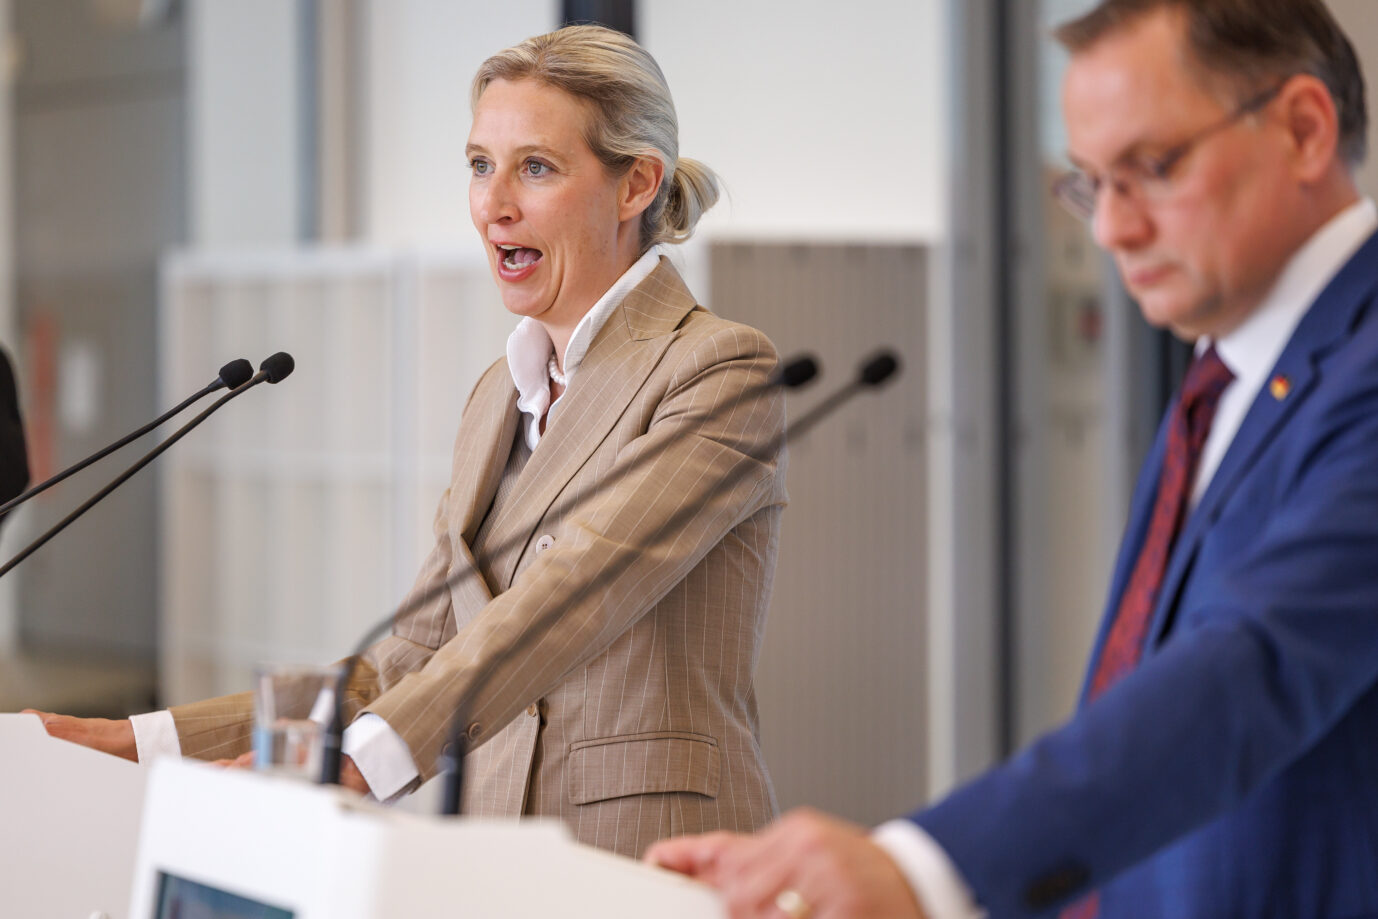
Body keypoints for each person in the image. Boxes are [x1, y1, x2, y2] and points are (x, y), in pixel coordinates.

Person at [647, 0, 1378, 916]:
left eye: (1153, 168)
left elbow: (1251, 665)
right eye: (1092, 185)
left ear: (1304, 129)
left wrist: (924, 866)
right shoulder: (1224, 372)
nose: (1112, 230)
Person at [28, 24, 786, 859]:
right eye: (479, 165)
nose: (493, 205)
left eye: (535, 167)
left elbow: (575, 594)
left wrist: (356, 763)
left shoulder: (718, 368)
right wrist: (139, 742)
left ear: (636, 182)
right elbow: (408, 660)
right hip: (490, 853)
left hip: (646, 851)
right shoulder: (497, 396)